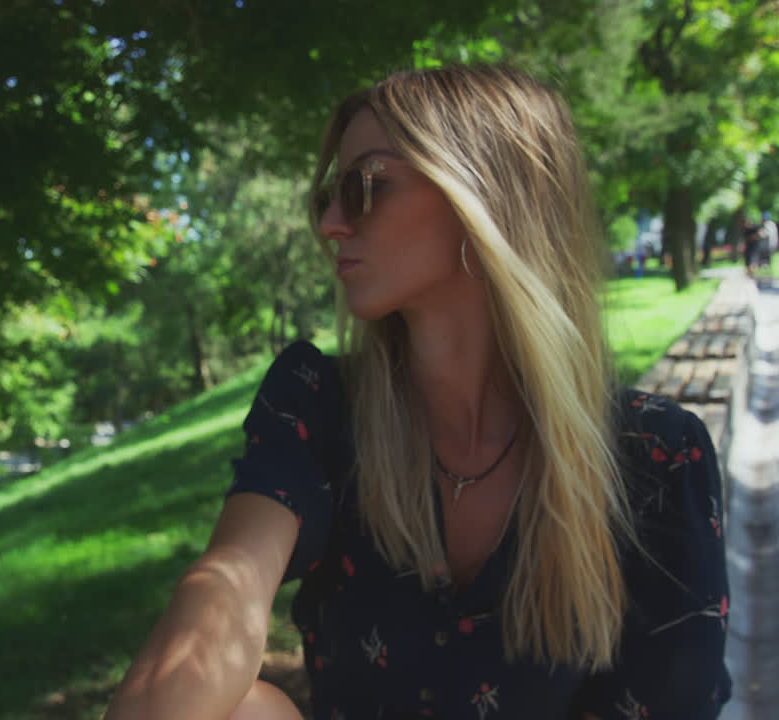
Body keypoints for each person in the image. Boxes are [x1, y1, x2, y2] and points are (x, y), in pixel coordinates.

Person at [104, 65, 729, 720]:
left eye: (366, 186)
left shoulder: (655, 457)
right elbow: (224, 594)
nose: (332, 225)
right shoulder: (319, 403)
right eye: (327, 197)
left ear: (482, 196)